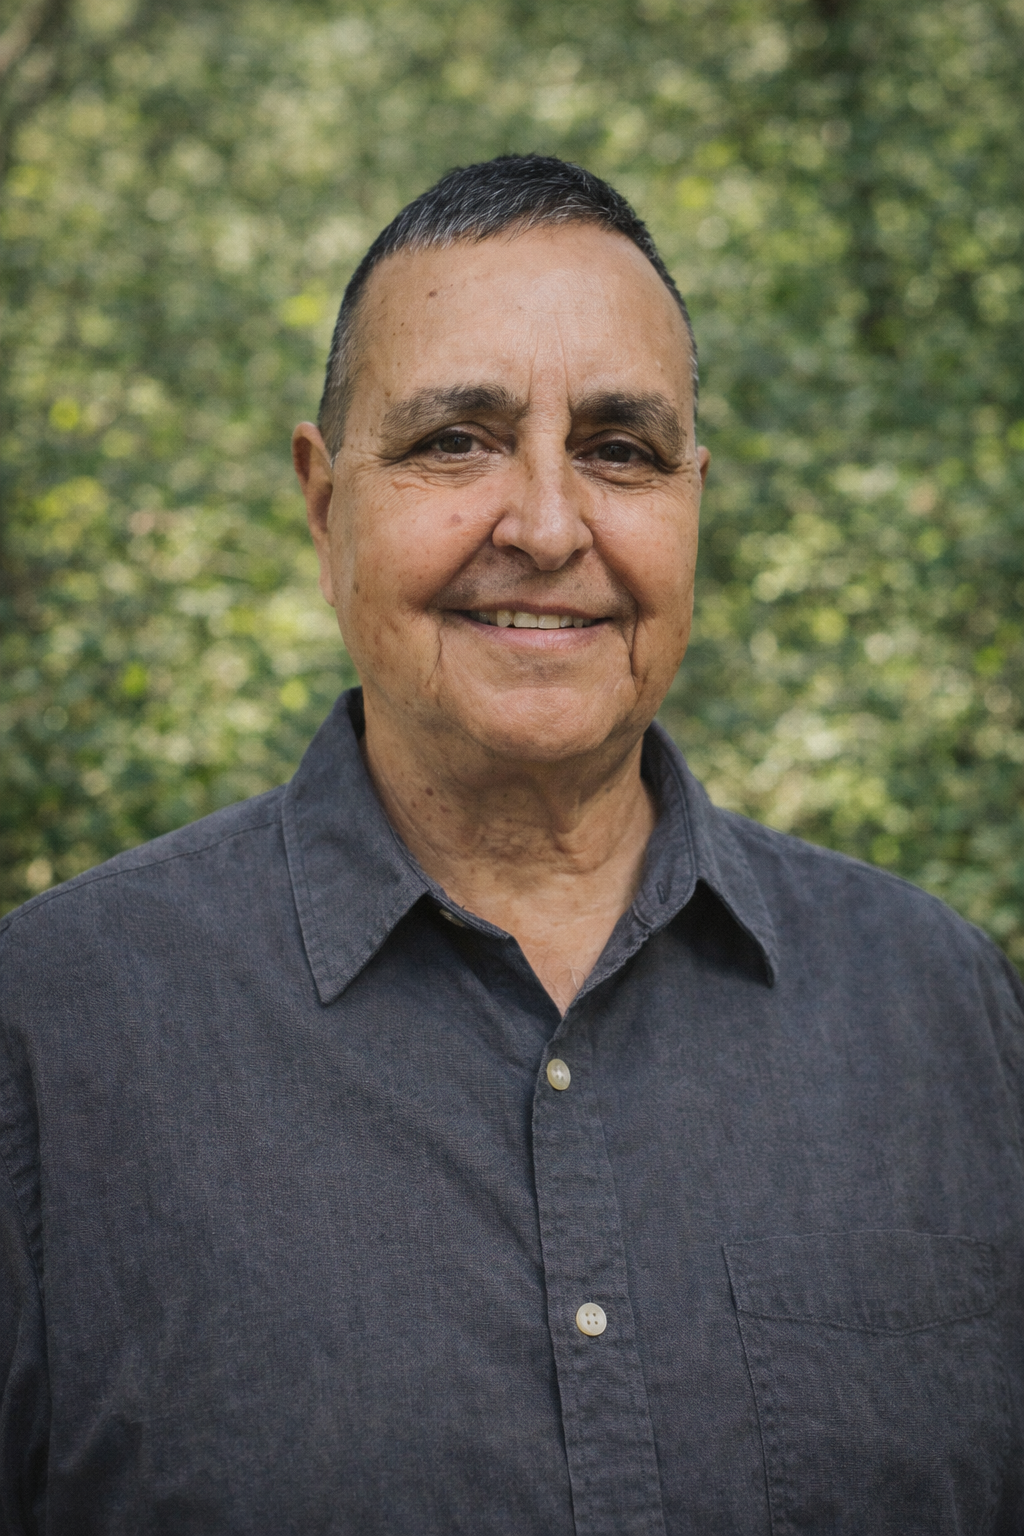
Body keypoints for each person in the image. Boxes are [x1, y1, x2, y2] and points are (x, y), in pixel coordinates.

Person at [0, 153, 1021, 1535]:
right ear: (323, 503)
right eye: (453, 441)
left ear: (694, 501)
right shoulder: (51, 1036)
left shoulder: (944, 1014)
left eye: (622, 451)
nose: (546, 526)